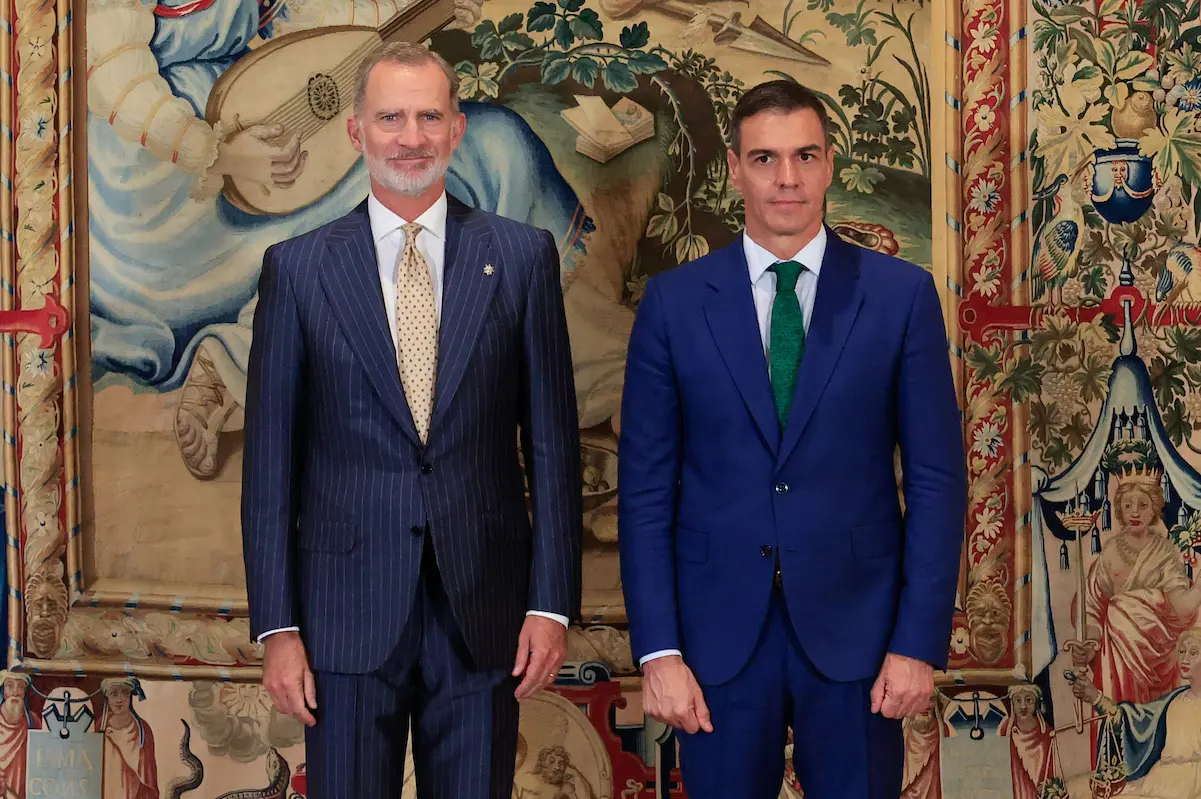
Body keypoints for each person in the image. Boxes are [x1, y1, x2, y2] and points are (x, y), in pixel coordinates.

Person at [241, 41, 583, 797]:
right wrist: (277, 628)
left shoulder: (522, 259)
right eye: (390, 116)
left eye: (430, 116)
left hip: (484, 610)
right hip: (342, 612)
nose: (411, 136)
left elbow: (555, 449)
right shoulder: (297, 270)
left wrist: (550, 602)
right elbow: (269, 469)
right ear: (357, 132)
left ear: (457, 129)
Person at [616, 79, 967, 797]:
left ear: (829, 162)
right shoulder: (673, 305)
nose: (786, 178)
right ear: (735, 170)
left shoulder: (900, 296)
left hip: (861, 639)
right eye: (765, 158)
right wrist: (658, 650)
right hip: (714, 641)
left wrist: (915, 643)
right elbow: (646, 492)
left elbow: (935, 479)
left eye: (804, 155)